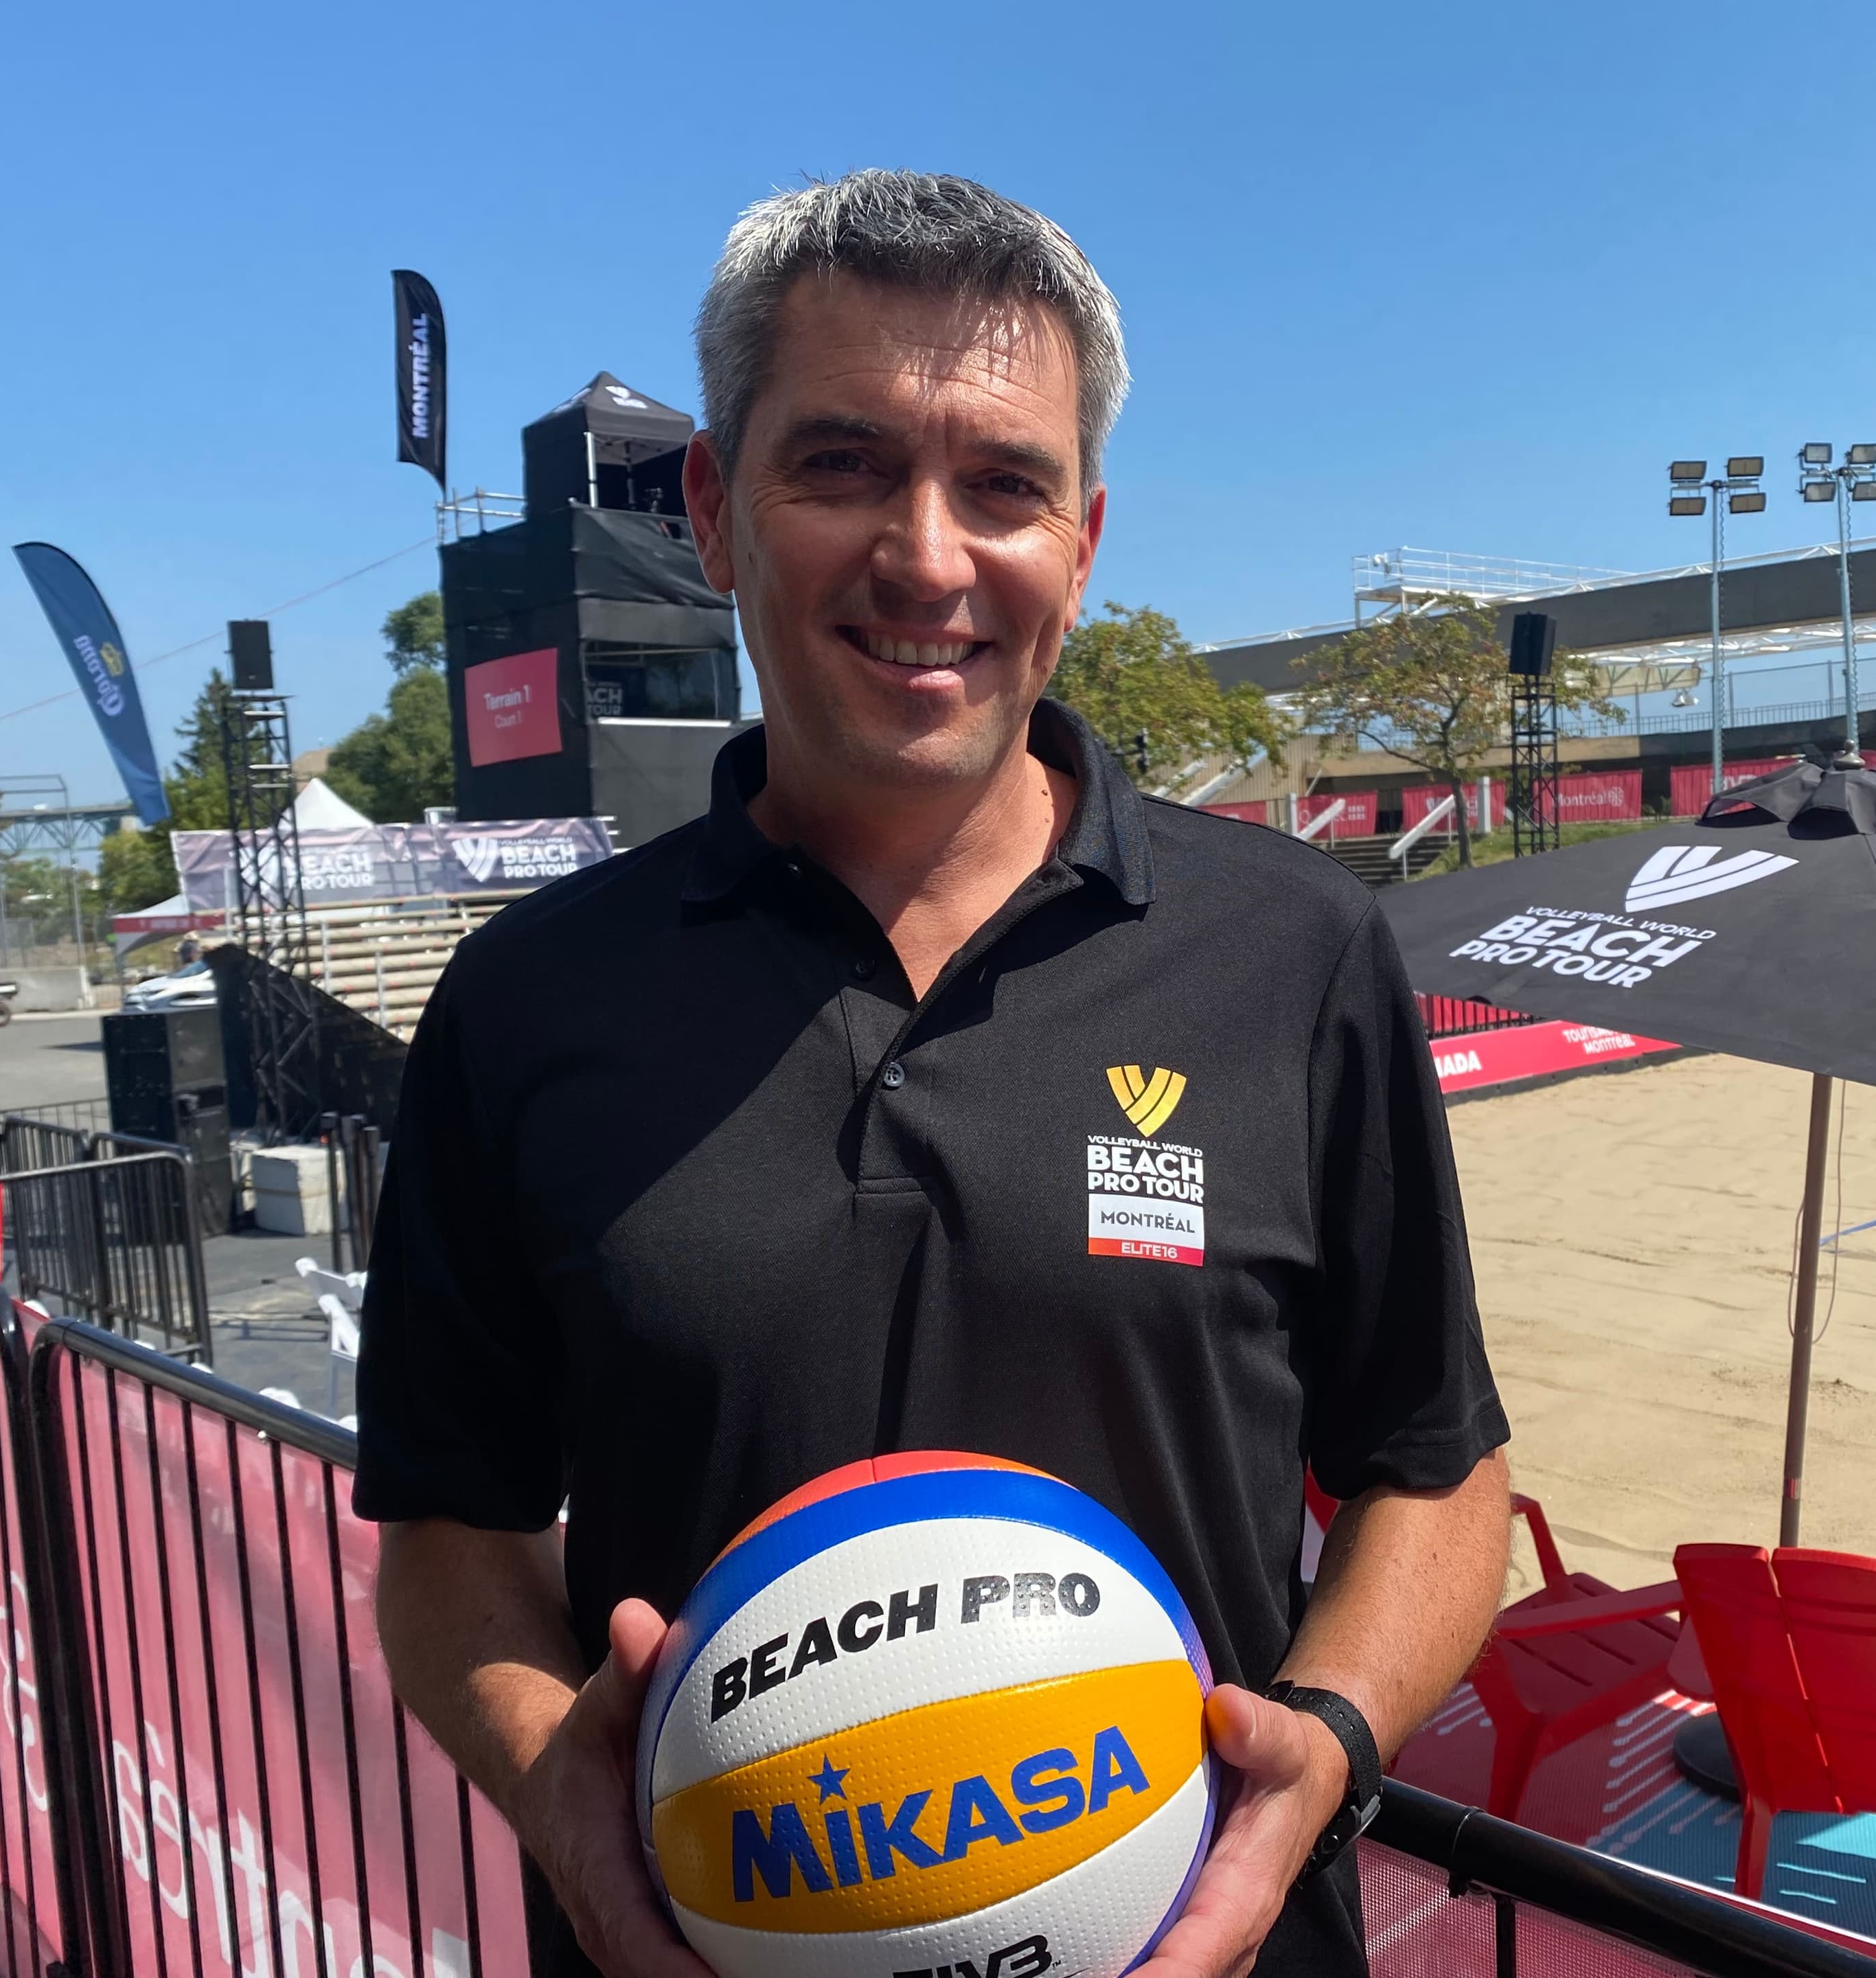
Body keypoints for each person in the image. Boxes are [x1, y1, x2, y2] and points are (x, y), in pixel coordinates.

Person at [357, 170, 1513, 1978]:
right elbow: (450, 1529)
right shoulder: (528, 1001)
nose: (928, 556)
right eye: (841, 467)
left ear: (1084, 541)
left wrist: (1331, 1744)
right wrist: (551, 1788)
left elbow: (1437, 1472)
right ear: (713, 512)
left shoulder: (1296, 952)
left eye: (1003, 486)